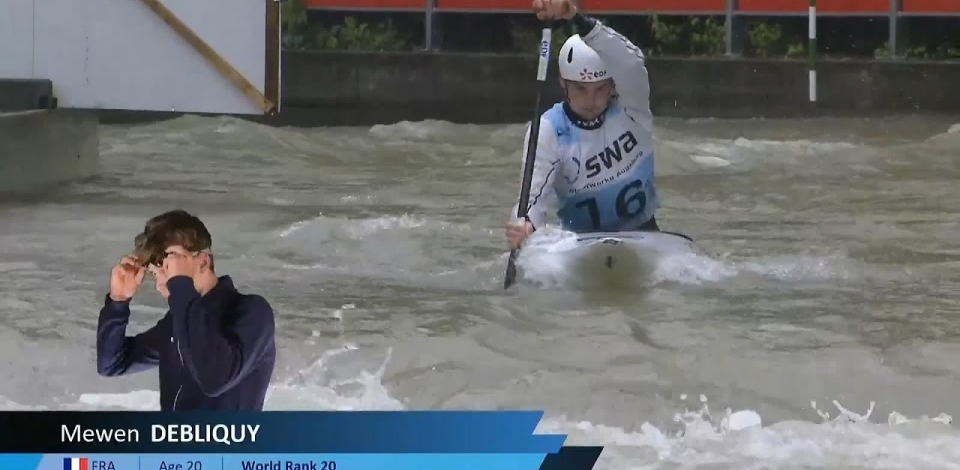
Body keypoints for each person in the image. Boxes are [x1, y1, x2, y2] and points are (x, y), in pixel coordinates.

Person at [506, 0, 662, 250]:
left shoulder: (632, 108)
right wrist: (524, 226)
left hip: (644, 235)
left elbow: (631, 62)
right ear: (563, 83)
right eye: (580, 88)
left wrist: (577, 19)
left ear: (612, 85)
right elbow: (532, 202)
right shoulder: (549, 130)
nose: (591, 101)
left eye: (600, 89)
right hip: (579, 247)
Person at [96, 209, 276, 411]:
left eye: (170, 269)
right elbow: (111, 364)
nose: (161, 283)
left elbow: (215, 379)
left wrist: (181, 285)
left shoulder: (251, 311)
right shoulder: (176, 321)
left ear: (204, 262)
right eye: (156, 274)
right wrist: (118, 302)